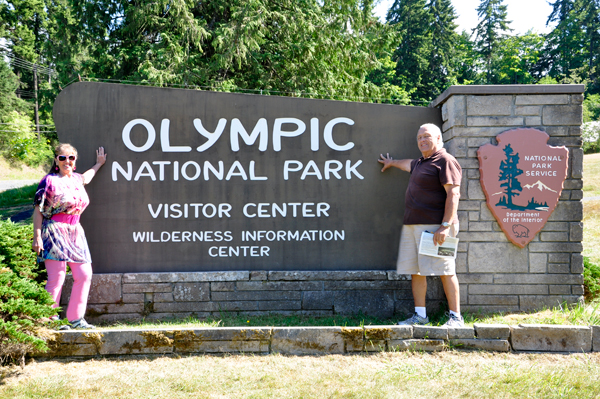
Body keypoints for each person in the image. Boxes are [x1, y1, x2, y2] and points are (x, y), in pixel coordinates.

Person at [378, 123, 463, 327]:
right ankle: (420, 316)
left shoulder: (445, 160)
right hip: (413, 226)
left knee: (446, 269)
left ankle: (456, 318)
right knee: (416, 271)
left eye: (427, 136)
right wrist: (391, 162)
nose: (422, 140)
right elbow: (407, 163)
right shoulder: (420, 163)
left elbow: (454, 193)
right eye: (419, 138)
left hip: (437, 226)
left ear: (438, 138)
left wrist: (444, 226)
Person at [32, 143, 107, 329]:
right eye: (63, 157)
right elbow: (38, 211)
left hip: (75, 231)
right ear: (56, 160)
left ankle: (76, 319)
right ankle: (50, 320)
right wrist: (37, 236)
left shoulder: (77, 179)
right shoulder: (49, 181)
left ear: (75, 160)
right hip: (54, 229)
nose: (67, 161)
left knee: (84, 274)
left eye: (71, 158)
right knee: (57, 277)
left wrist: (99, 164)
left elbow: (87, 177)